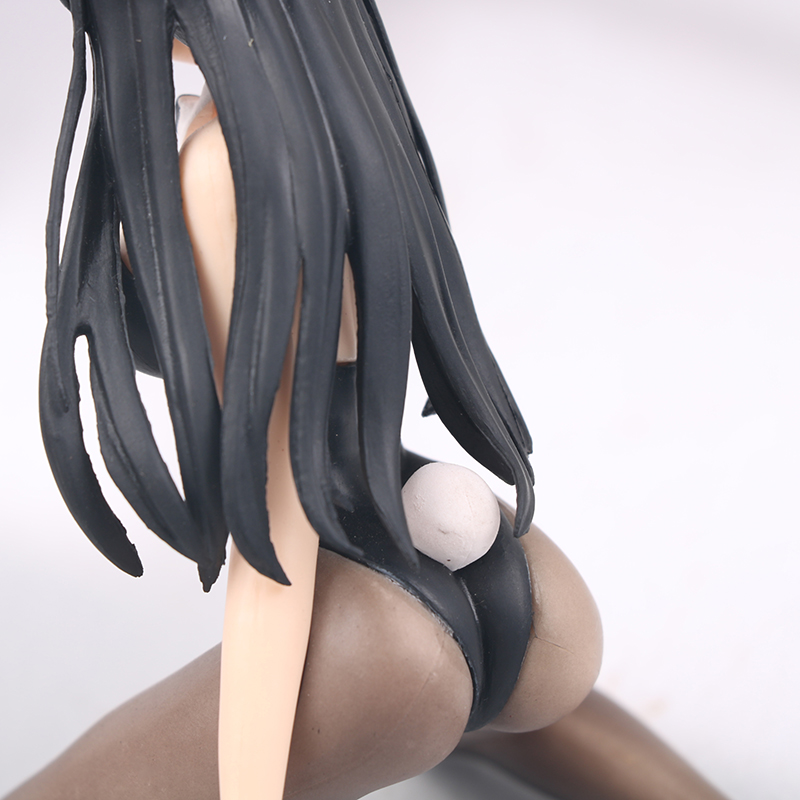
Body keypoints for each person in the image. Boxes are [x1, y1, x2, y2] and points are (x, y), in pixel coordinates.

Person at [8, 1, 730, 798]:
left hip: (373, 618)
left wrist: (248, 774)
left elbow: (273, 471)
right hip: (507, 575)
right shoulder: (347, 114)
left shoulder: (221, 167)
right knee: (481, 695)